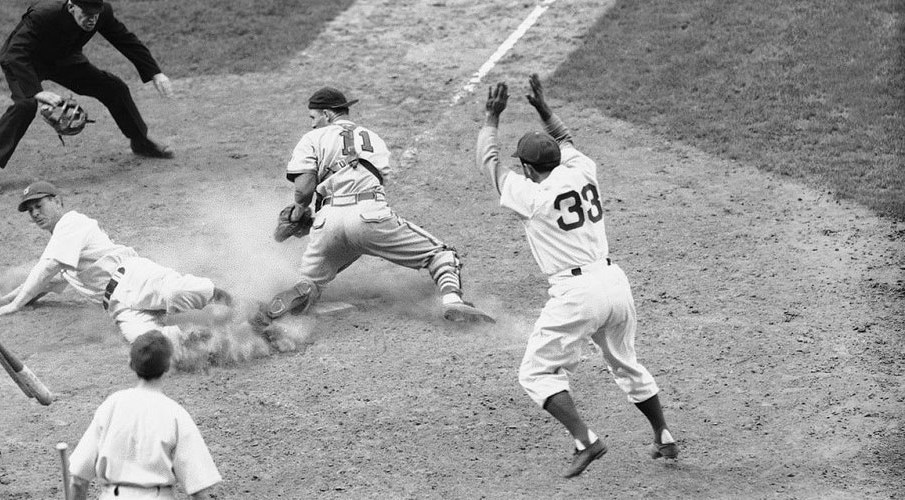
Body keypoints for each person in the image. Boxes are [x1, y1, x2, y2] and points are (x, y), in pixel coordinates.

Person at [476, 75, 679, 478]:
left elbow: (489, 163)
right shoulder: (583, 170)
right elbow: (565, 137)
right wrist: (543, 109)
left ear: (528, 168)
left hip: (576, 293)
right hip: (614, 282)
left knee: (535, 372)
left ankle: (586, 440)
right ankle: (664, 435)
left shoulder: (531, 196)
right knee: (626, 363)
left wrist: (491, 117)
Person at [248, 86, 495, 342]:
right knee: (441, 254)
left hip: (327, 223)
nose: (312, 125)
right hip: (370, 217)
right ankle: (452, 300)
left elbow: (303, 191)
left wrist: (301, 213)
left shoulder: (312, 139)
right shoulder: (374, 139)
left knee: (310, 284)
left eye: (313, 118)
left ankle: (266, 320)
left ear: (326, 114)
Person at [0, 180, 232, 369]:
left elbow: (45, 269)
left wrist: (14, 305)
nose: (35, 213)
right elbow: (40, 283)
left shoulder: (71, 223)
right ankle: (223, 342)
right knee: (148, 343)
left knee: (179, 291)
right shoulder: (62, 250)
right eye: (30, 210)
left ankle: (241, 306)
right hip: (118, 306)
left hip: (134, 276)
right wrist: (3, 301)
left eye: (39, 205)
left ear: (58, 201)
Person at [0, 0, 176, 195]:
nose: (92, 20)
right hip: (24, 61)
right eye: (86, 14)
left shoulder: (102, 12)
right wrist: (36, 91)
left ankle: (140, 141)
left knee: (114, 88)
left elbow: (125, 40)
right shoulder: (44, 14)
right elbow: (15, 52)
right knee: (26, 104)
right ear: (71, 7)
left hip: (64, 59)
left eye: (95, 15)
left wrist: (155, 72)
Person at [67, 331, 222, 499]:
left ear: (130, 364)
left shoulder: (111, 406)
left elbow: (78, 480)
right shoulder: (176, 414)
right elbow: (198, 491)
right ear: (168, 366)